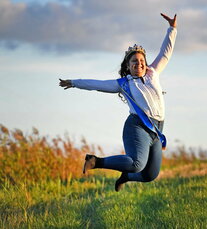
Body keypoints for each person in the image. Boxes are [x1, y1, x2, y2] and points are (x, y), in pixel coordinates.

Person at [59, 13, 177, 192]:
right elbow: (96, 84)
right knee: (137, 163)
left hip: (157, 129)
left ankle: (126, 176)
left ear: (146, 63)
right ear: (128, 66)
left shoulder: (153, 73)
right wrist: (74, 82)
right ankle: (95, 161)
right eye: (134, 62)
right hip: (137, 127)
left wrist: (172, 29)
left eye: (141, 61)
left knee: (149, 175)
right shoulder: (124, 84)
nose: (139, 64)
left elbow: (165, 53)